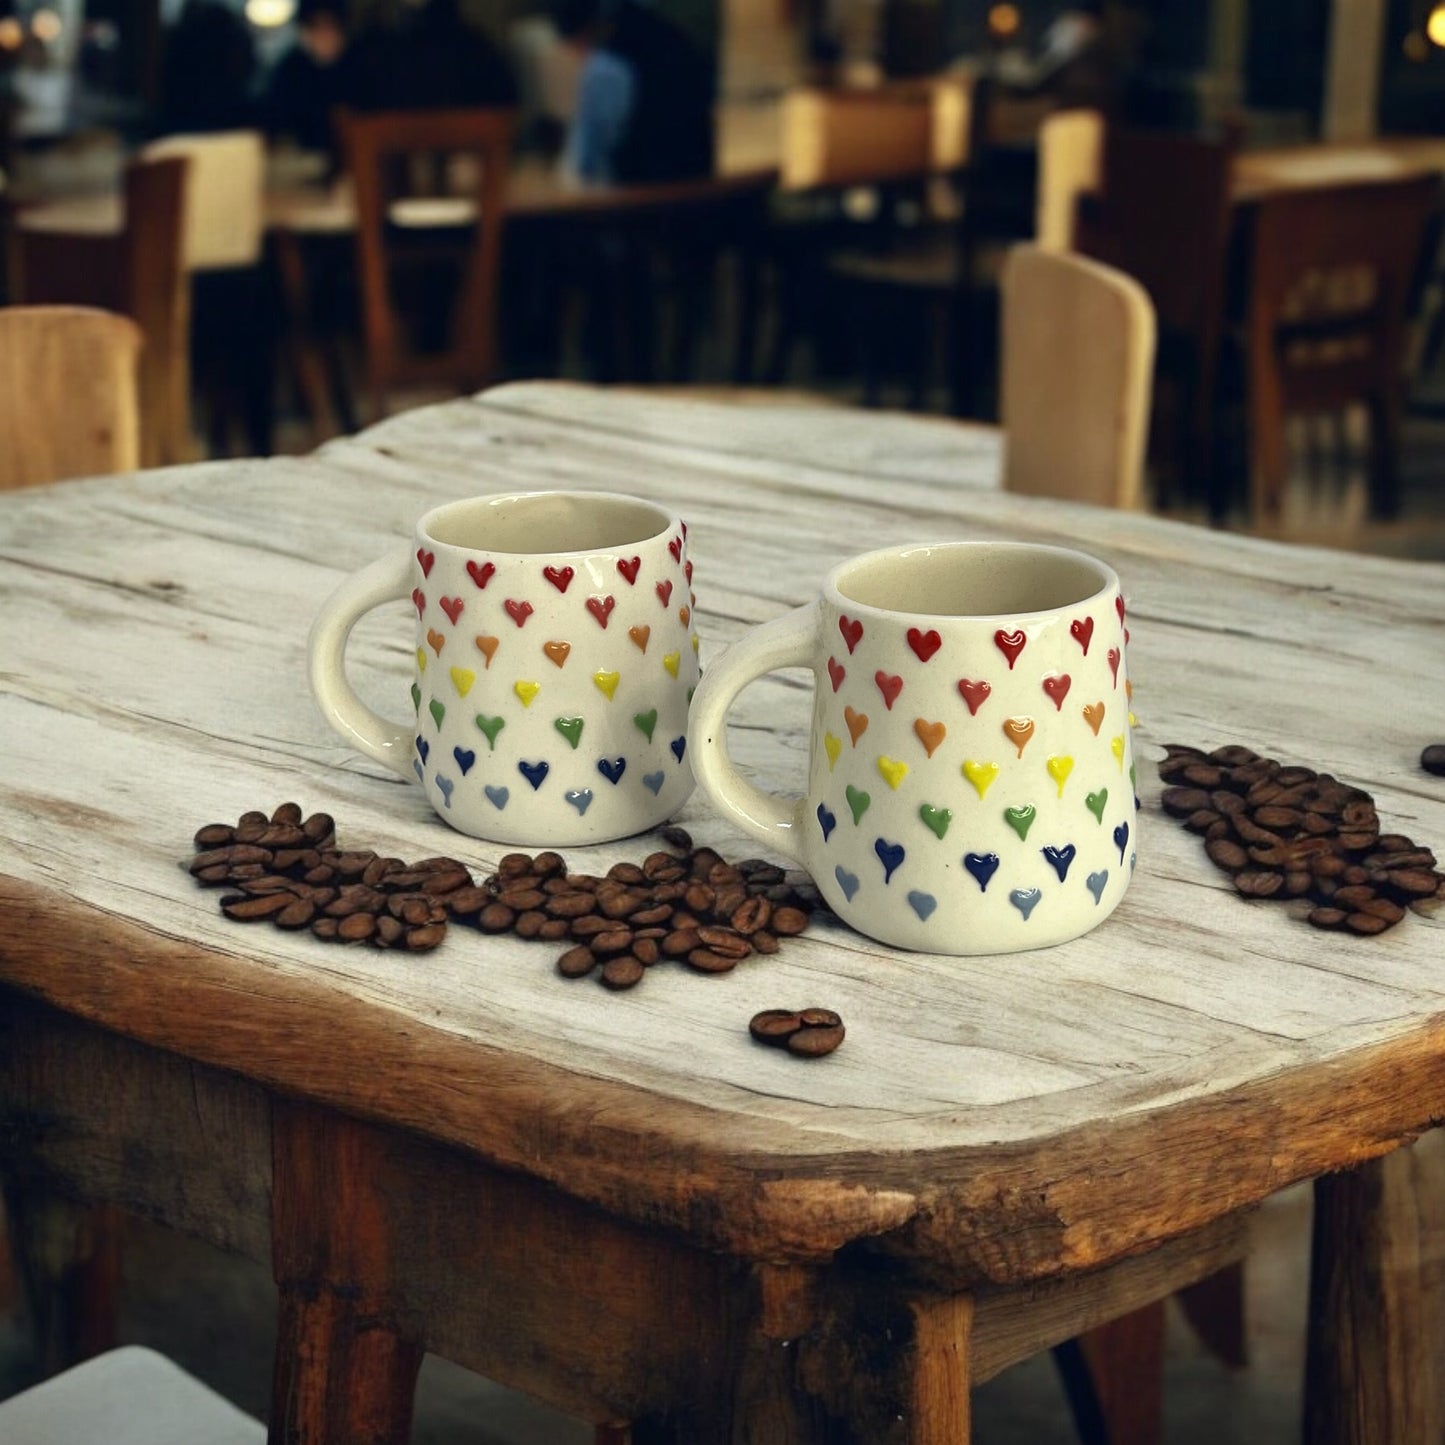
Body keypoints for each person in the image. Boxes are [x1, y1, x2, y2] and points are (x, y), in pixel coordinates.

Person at [552, 0, 715, 185]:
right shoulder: (669, 34)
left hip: (640, 193)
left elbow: (585, 164)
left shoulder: (606, 66)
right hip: (698, 186)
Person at [263, 0, 353, 153]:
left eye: (330, 26)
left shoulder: (359, 65)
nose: (323, 35)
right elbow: (275, 122)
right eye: (316, 27)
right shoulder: (289, 71)